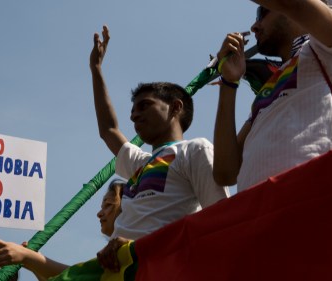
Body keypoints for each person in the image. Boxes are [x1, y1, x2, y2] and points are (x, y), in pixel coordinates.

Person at [90, 25, 229, 271]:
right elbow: (108, 130)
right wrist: (96, 70)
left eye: (144, 106)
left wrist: (141, 246)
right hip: (120, 272)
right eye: (132, 110)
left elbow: (221, 220)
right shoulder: (139, 164)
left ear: (175, 108)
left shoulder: (195, 151)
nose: (134, 116)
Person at [212, 0, 332, 191]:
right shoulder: (269, 87)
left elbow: (294, 5)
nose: (254, 26)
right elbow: (225, 172)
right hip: (258, 211)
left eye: (262, 13)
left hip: (317, 194)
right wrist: (229, 82)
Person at [0, 179, 127, 280]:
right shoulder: (112, 256)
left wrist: (28, 257)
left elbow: (77, 277)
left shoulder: (129, 253)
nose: (99, 213)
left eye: (108, 205)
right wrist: (33, 262)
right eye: (102, 206)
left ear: (128, 209)